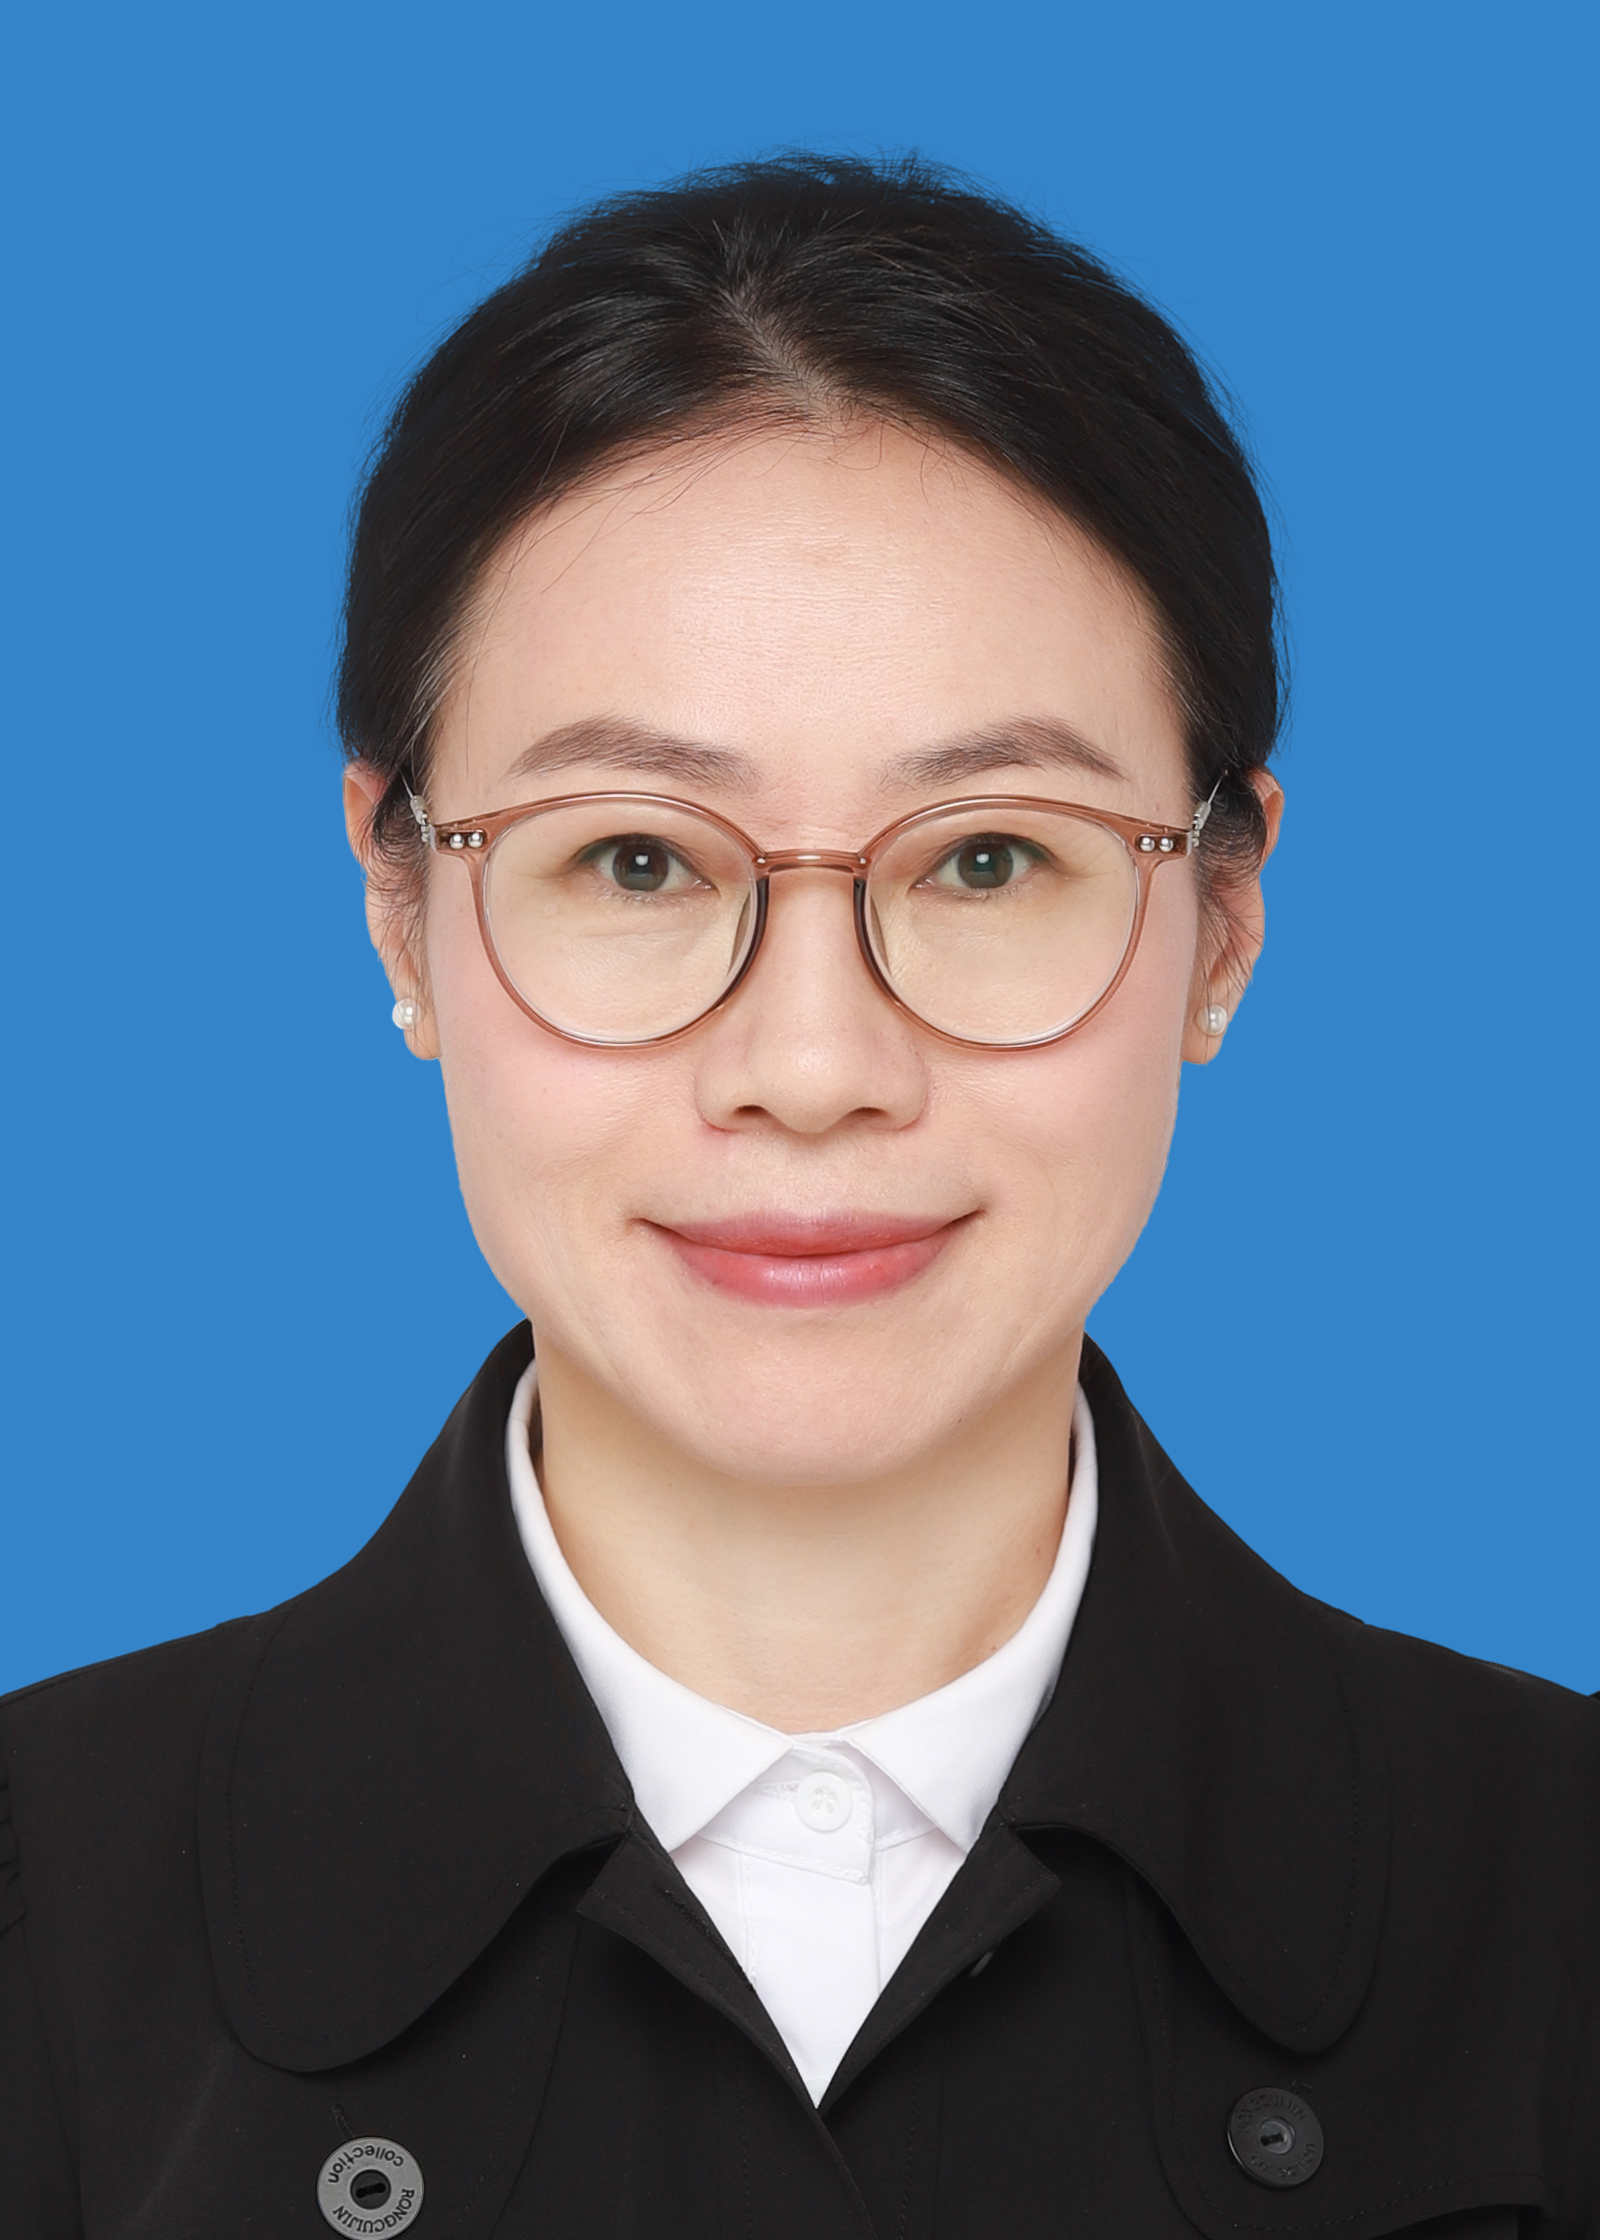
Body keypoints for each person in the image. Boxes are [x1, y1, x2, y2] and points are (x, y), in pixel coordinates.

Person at [1, 155, 1594, 2240]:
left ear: (1220, 919)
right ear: (402, 911)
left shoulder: (1555, 1899)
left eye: (989, 858)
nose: (817, 1066)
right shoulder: (42, 1909)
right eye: (637, 859)